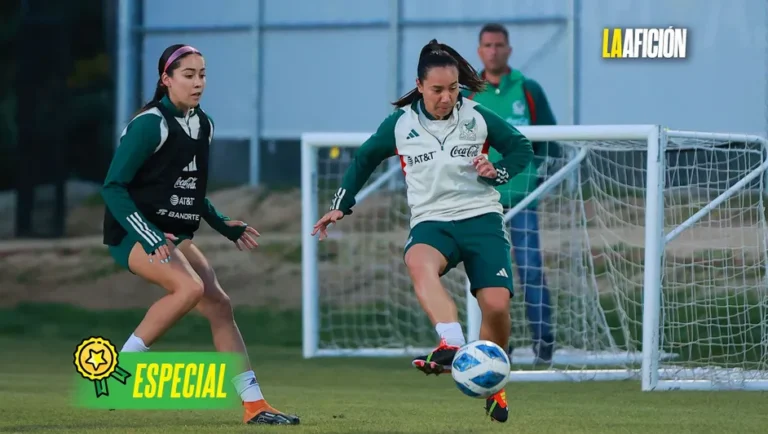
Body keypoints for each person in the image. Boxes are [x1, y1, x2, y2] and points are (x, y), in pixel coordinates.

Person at [311, 39, 534, 423]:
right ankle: (452, 342)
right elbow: (364, 158)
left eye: (453, 88)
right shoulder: (400, 125)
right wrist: (340, 206)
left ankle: (493, 386)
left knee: (496, 305)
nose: (446, 97)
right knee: (417, 260)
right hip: (432, 221)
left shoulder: (477, 116)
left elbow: (520, 148)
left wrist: (496, 172)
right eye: (437, 90)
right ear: (419, 85)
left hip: (481, 218)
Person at [100, 44, 300, 426]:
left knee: (220, 304)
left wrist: (225, 224)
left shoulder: (202, 124)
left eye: (202, 74)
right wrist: (149, 235)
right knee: (189, 289)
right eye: (188, 75)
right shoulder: (150, 124)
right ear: (166, 79)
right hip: (133, 233)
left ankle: (254, 405)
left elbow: (191, 190)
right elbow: (112, 187)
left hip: (171, 232)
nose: (198, 82)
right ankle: (115, 373)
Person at [464, 23, 560, 364]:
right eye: (487, 45)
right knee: (490, 274)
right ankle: (498, 345)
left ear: (509, 49)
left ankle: (544, 343)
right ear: (479, 51)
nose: (493, 50)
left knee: (530, 269)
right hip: (482, 202)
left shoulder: (528, 89)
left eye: (499, 45)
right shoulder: (468, 94)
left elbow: (551, 139)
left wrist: (545, 176)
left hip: (523, 198)